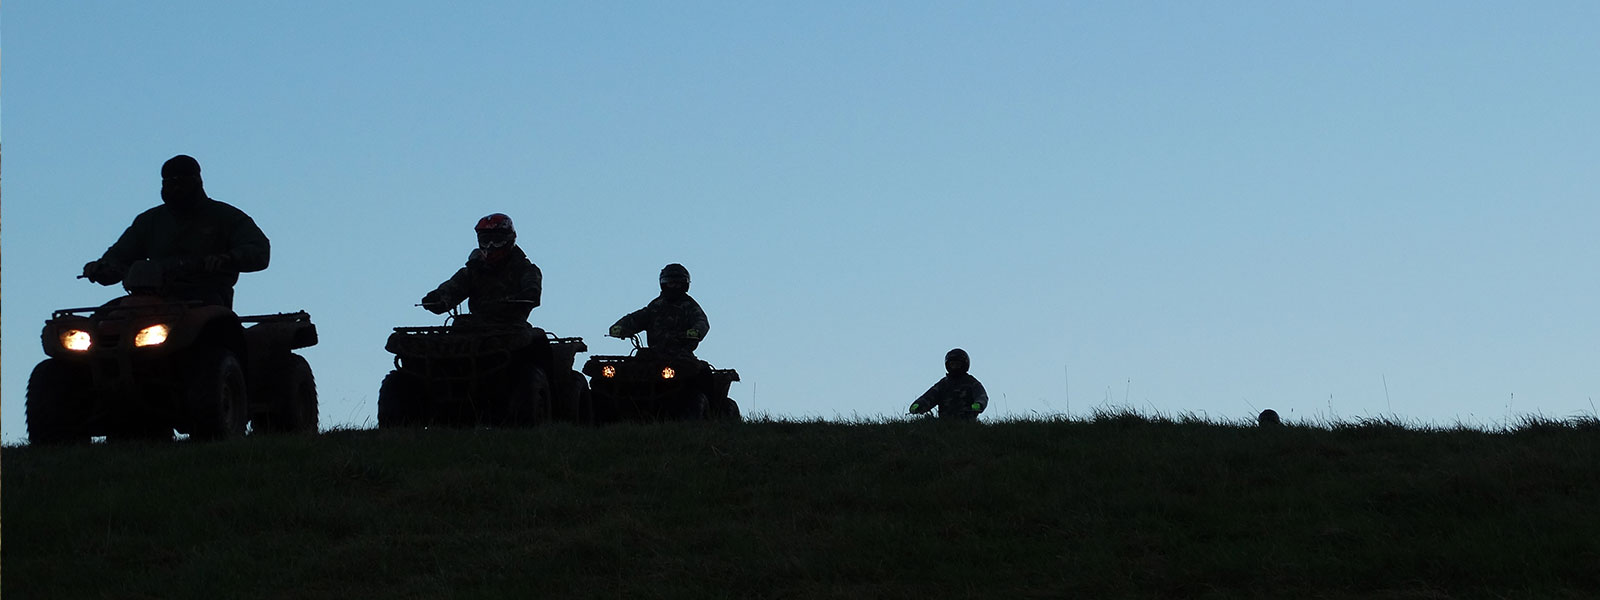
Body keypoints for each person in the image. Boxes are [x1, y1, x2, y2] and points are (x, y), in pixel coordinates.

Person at [80, 155, 271, 309]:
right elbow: (121, 254)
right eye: (169, 182)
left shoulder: (225, 216)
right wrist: (102, 268)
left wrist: (226, 259)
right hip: (151, 301)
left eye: (181, 181)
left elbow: (259, 250)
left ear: (197, 181)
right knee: (100, 323)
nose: (175, 187)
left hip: (206, 301)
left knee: (210, 339)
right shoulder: (150, 220)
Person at [420, 213, 543, 324]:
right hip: (475, 328)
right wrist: (438, 298)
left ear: (510, 239)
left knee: (534, 340)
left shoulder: (525, 269)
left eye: (497, 240)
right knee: (458, 329)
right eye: (485, 241)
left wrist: (525, 296)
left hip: (512, 327)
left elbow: (532, 290)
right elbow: (453, 288)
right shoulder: (473, 271)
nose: (490, 246)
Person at [608, 263, 709, 358]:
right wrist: (620, 327)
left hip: (681, 355)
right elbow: (638, 318)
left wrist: (695, 332)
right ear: (664, 284)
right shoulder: (655, 307)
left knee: (700, 372)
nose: (674, 287)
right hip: (653, 355)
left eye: (678, 284)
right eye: (671, 283)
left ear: (685, 285)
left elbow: (701, 321)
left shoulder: (690, 306)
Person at [907, 348, 988, 421]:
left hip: (967, 422)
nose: (955, 367)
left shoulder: (971, 382)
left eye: (957, 364)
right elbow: (930, 396)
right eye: (952, 364)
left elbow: (981, 396)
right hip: (944, 423)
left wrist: (979, 404)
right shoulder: (943, 384)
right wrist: (918, 404)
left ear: (964, 365)